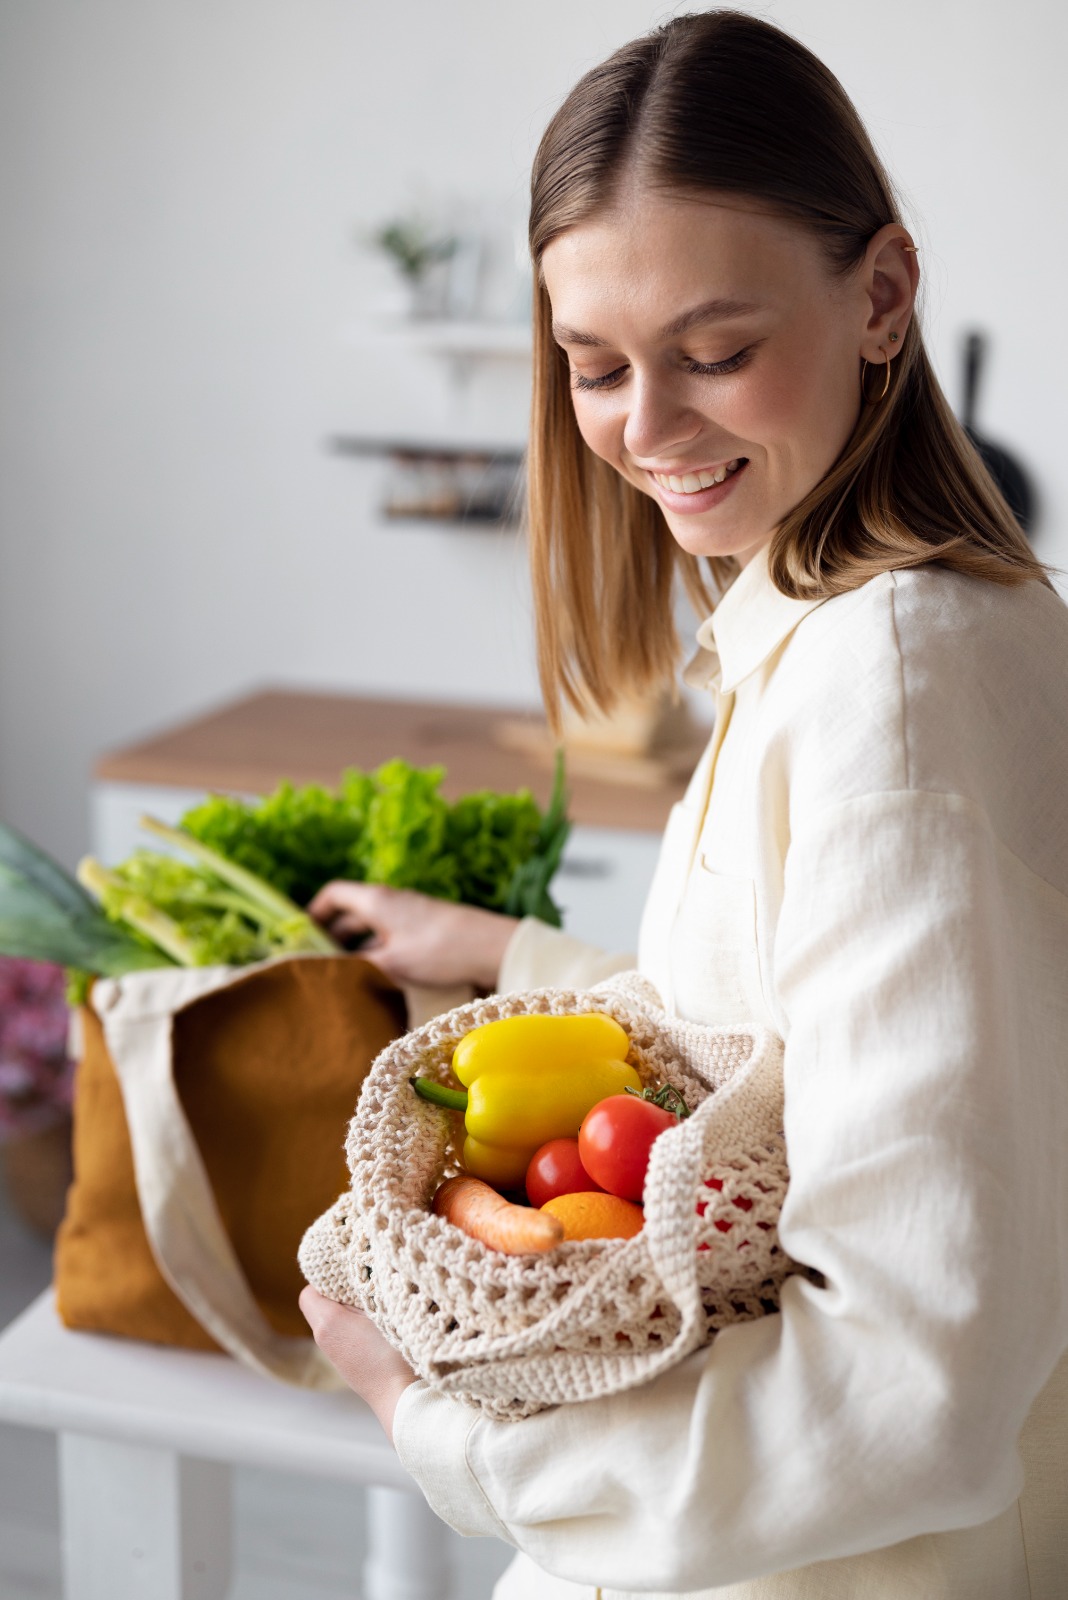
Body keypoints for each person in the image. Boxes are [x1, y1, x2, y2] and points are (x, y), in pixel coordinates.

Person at [299, 12, 1068, 1597]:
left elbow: (912, 1389)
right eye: (595, 367)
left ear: (882, 296)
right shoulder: (833, 625)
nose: (647, 430)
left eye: (716, 353)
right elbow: (791, 1052)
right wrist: (511, 958)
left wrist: (446, 1433)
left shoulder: (896, 683)